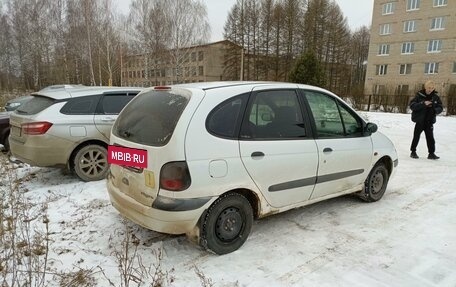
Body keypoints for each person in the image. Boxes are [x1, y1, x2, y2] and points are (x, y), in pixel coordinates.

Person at [409, 80, 443, 159]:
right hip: (420, 121)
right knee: (416, 137)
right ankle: (413, 152)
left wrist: (435, 110)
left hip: (429, 121)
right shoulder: (419, 96)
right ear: (425, 87)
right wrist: (423, 104)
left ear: (433, 88)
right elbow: (412, 105)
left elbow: (440, 107)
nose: (430, 89)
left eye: (431, 88)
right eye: (428, 87)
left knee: (430, 138)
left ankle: (431, 154)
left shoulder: (435, 97)